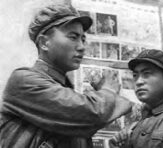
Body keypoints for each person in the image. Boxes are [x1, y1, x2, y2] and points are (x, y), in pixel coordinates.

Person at [0, 4, 133, 148]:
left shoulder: (65, 90)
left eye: (83, 39)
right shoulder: (24, 81)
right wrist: (108, 91)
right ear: (45, 43)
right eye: (73, 37)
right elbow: (92, 113)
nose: (82, 47)